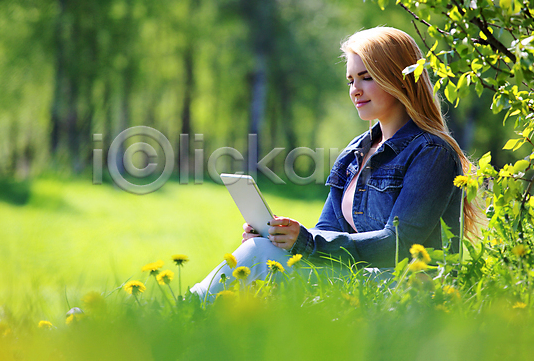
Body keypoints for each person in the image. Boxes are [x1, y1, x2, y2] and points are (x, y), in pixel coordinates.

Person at [190, 27, 477, 298]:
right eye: (351, 81)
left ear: (398, 79)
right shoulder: (355, 152)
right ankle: (193, 312)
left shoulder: (432, 152)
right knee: (261, 248)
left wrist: (306, 242)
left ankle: (187, 308)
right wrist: (279, 235)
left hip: (406, 290)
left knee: (260, 257)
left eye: (366, 77)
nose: (355, 90)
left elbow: (399, 244)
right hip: (358, 280)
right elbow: (327, 233)